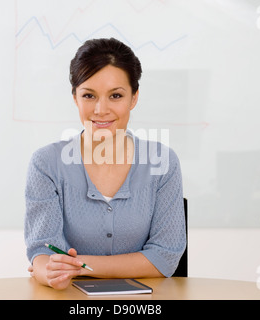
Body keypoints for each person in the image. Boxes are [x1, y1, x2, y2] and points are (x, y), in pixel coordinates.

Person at [24, 38, 186, 290]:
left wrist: (79, 265)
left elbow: (164, 258)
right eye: (89, 95)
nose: (101, 109)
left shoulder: (163, 162)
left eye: (116, 95)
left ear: (134, 98)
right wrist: (49, 271)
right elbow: (42, 254)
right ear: (75, 98)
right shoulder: (46, 164)